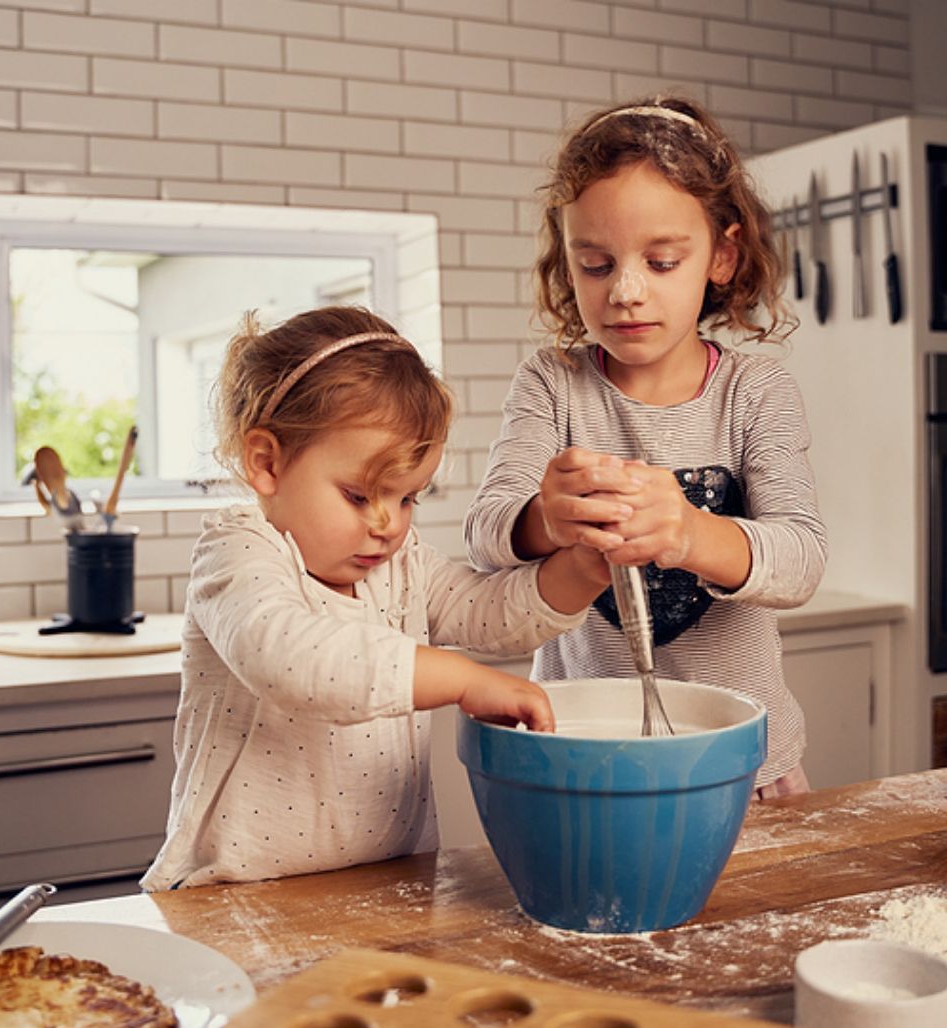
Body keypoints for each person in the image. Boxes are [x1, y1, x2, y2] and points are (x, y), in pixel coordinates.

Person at [141, 305, 610, 890]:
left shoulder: (400, 563)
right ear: (267, 463)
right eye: (360, 496)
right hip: (236, 895)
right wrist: (462, 681)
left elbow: (488, 612)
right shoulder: (238, 551)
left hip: (384, 882)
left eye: (408, 497)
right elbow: (292, 658)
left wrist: (587, 567)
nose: (388, 524)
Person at [463, 95, 828, 798]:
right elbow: (486, 536)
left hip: (746, 763)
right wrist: (546, 516)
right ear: (566, 261)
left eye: (661, 261)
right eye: (596, 265)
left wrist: (689, 532)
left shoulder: (755, 390)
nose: (626, 292)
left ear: (721, 255)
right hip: (585, 755)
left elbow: (801, 560)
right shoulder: (553, 383)